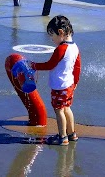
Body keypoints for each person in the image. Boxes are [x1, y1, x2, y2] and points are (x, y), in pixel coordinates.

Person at [31, 15, 82, 146]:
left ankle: (62, 137)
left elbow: (50, 65)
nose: (51, 39)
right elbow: (77, 67)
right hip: (69, 84)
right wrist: (75, 82)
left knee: (59, 110)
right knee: (67, 108)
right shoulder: (74, 47)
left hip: (59, 86)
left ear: (60, 32)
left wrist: (34, 65)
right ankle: (72, 134)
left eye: (52, 35)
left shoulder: (61, 49)